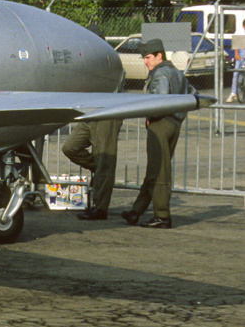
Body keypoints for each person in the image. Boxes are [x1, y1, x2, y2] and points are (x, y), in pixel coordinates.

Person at [121, 40, 189, 229]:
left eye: (148, 57)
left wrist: (151, 116)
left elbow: (159, 101)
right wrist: (180, 116)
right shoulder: (177, 72)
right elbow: (193, 94)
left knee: (159, 171)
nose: (145, 61)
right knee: (155, 169)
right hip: (174, 124)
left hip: (160, 124)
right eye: (144, 58)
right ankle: (136, 211)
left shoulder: (160, 73)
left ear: (160, 56)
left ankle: (162, 216)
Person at [62, 118, 120, 220]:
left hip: (107, 115)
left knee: (104, 159)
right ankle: (100, 170)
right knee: (70, 147)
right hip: (91, 114)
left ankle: (100, 208)